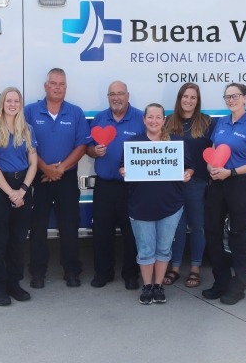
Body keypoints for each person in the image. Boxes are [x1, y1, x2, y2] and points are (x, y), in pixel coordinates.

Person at [120, 103, 193, 304]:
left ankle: (159, 285)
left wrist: (188, 173)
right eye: (150, 117)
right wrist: (124, 171)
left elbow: (190, 167)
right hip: (140, 205)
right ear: (144, 120)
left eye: (158, 117)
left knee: (163, 248)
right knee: (145, 250)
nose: (154, 121)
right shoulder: (133, 143)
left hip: (170, 205)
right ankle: (147, 286)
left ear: (164, 120)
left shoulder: (176, 142)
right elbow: (122, 167)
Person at [25, 68, 90, 288]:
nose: (57, 87)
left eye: (61, 84)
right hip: (38, 178)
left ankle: (72, 270)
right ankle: (37, 272)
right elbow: (25, 144)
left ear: (66, 87)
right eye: (53, 83)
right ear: (45, 86)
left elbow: (82, 145)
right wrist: (45, 168)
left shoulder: (75, 112)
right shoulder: (31, 111)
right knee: (37, 227)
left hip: (67, 178)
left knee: (70, 226)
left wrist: (60, 169)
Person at [203, 83, 246, 306]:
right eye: (227, 97)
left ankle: (238, 285)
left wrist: (230, 172)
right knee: (211, 231)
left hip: (239, 183)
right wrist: (211, 168)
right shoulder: (221, 123)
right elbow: (212, 152)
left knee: (237, 234)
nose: (231, 100)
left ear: (245, 98)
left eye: (235, 96)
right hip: (217, 183)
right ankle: (221, 281)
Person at [0, 87, 38, 306]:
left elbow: (33, 163)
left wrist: (22, 190)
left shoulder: (28, 129)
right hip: (0, 187)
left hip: (22, 186)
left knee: (17, 240)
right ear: (2, 103)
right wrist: (11, 194)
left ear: (20, 104)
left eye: (16, 101)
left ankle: (14, 284)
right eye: (9, 101)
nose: (12, 104)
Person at [86, 81, 143, 290]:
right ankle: (103, 273)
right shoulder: (100, 118)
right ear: (107, 96)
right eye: (112, 94)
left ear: (127, 95)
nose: (116, 98)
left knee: (131, 232)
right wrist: (94, 152)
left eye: (120, 94)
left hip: (131, 187)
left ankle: (131, 274)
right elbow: (88, 148)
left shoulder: (140, 118)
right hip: (105, 186)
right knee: (101, 231)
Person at [164, 82, 215, 289]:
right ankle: (175, 267)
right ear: (179, 98)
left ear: (198, 100)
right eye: (185, 96)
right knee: (175, 227)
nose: (188, 100)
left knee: (197, 227)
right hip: (173, 184)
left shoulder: (207, 122)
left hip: (197, 183)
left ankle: (195, 268)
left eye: (193, 97)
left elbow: (214, 150)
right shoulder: (168, 122)